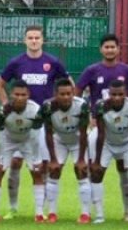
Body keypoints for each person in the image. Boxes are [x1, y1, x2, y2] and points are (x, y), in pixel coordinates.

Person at [0, 25, 69, 219]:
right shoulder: (16, 62)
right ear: (24, 40)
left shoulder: (53, 62)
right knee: (15, 164)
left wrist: (57, 106)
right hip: (18, 122)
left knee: (41, 167)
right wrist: (6, 105)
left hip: (43, 123)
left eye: (37, 37)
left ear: (43, 40)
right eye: (30, 38)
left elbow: (69, 87)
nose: (34, 41)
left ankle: (40, 211)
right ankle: (13, 207)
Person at [77, 33, 128, 221]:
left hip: (122, 127)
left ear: (118, 49)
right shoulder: (92, 70)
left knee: (124, 170)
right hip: (99, 125)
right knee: (94, 168)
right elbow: (77, 93)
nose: (110, 50)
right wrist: (89, 115)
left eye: (113, 47)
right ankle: (90, 212)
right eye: (106, 47)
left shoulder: (127, 70)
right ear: (101, 49)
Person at [89, 80, 128, 225]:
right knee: (97, 173)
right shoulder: (101, 106)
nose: (116, 97)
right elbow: (101, 133)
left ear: (126, 94)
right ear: (109, 94)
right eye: (113, 94)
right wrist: (97, 161)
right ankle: (99, 215)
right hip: (108, 142)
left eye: (120, 94)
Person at [0, 80, 45, 222]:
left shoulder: (36, 110)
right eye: (16, 94)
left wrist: (37, 159)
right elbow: (0, 137)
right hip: (8, 141)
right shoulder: (2, 111)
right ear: (11, 95)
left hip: (28, 141)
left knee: (37, 172)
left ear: (28, 95)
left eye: (23, 94)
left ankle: (39, 213)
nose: (19, 97)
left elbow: (36, 137)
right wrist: (0, 158)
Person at [41, 78, 91, 224]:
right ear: (55, 94)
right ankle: (51, 213)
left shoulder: (82, 105)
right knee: (54, 171)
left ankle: (85, 214)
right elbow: (48, 133)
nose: (66, 97)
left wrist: (81, 159)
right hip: (59, 140)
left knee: (81, 172)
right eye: (62, 94)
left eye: (69, 93)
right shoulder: (48, 106)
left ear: (73, 93)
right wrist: (53, 159)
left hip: (77, 141)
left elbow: (83, 133)